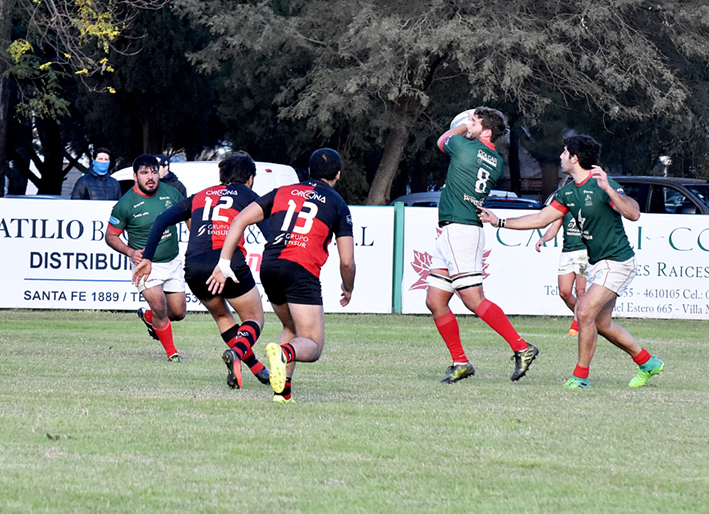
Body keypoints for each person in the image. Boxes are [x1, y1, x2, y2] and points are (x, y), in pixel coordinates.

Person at [479, 134, 665, 389]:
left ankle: (580, 377)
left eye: (564, 152)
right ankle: (648, 362)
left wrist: (610, 189)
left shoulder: (601, 184)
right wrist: (499, 221)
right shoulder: (567, 192)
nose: (560, 157)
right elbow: (541, 219)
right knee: (601, 323)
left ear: (574, 158)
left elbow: (633, 213)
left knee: (584, 311)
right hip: (599, 264)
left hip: (618, 261)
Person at [206, 148, 356, 403]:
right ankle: (284, 353)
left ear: (308, 172)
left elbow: (240, 219)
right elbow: (347, 260)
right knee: (312, 344)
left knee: (291, 327)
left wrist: (224, 261)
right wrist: (348, 287)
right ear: (338, 175)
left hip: (270, 267)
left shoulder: (282, 192)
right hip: (300, 270)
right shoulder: (337, 203)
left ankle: (282, 394)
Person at [131, 151, 270, 388]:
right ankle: (237, 353)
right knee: (254, 318)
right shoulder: (247, 193)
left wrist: (148, 257)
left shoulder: (201, 195)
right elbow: (269, 231)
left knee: (223, 316)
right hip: (227, 262)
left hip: (194, 266)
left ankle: (257, 368)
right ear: (250, 177)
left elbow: (162, 219)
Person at [427, 107, 539, 385]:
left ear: (486, 131)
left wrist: (460, 127)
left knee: (473, 299)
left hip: (461, 229)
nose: (468, 124)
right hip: (458, 229)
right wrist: (470, 128)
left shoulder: (464, 146)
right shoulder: (496, 161)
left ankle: (521, 346)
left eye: (474, 121)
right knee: (435, 300)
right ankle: (460, 362)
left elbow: (442, 140)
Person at [105, 154, 187, 362]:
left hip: (172, 260)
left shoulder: (172, 194)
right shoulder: (125, 204)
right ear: (135, 176)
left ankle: (149, 317)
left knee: (177, 313)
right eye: (144, 173)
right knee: (159, 305)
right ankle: (172, 354)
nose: (150, 177)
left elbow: (188, 216)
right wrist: (130, 252)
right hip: (145, 265)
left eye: (153, 171)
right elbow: (111, 236)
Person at [535, 212, 588, 336]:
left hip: (584, 251)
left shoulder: (587, 205)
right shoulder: (565, 207)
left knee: (580, 291)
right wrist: (543, 239)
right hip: (567, 252)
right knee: (564, 292)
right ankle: (585, 315)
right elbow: (554, 228)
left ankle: (576, 324)